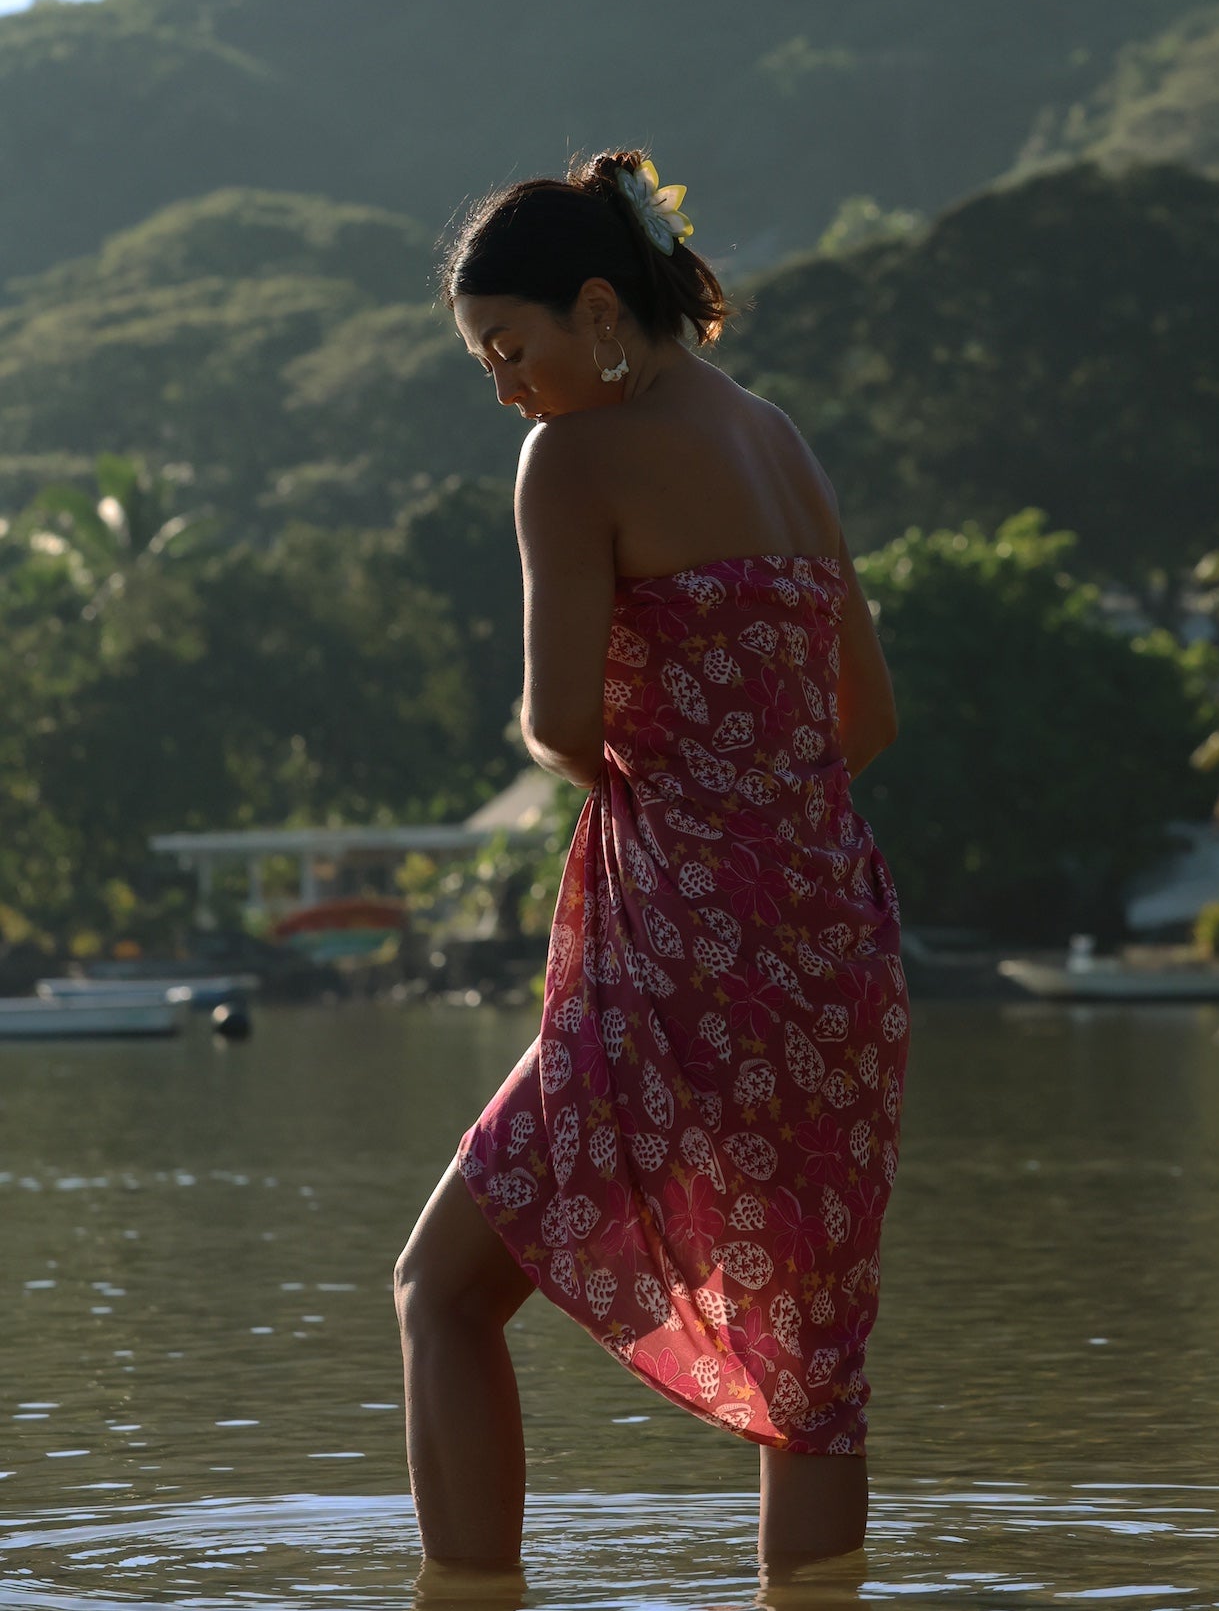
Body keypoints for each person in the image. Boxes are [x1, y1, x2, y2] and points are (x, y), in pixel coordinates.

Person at [394, 149, 908, 1591]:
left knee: (439, 1292)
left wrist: (668, 788)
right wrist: (752, 788)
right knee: (813, 1371)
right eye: (486, 364)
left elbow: (561, 724)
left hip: (686, 943)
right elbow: (868, 721)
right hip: (836, 943)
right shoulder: (776, 436)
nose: (507, 390)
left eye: (513, 349)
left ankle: (469, 1601)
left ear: (601, 309)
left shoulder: (574, 459)